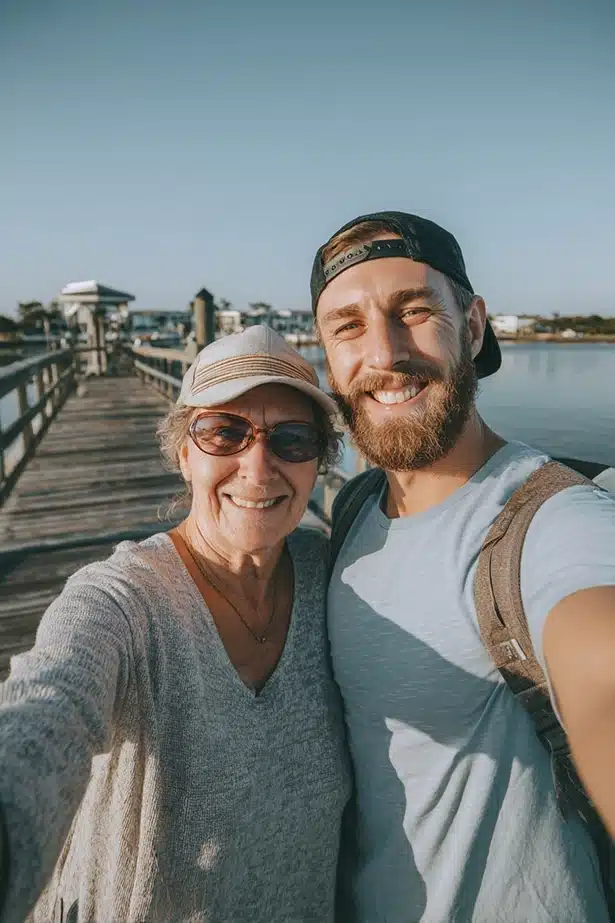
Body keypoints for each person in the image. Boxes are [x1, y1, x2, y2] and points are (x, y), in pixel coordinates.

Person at [310, 211, 615, 922]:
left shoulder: (550, 522)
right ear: (327, 358)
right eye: (347, 326)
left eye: (413, 311)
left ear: (472, 326)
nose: (383, 353)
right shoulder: (355, 506)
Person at [0, 325, 351, 923]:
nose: (259, 466)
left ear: (319, 460)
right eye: (225, 433)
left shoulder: (336, 576)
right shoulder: (121, 601)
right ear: (184, 453)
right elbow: (47, 708)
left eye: (293, 439)